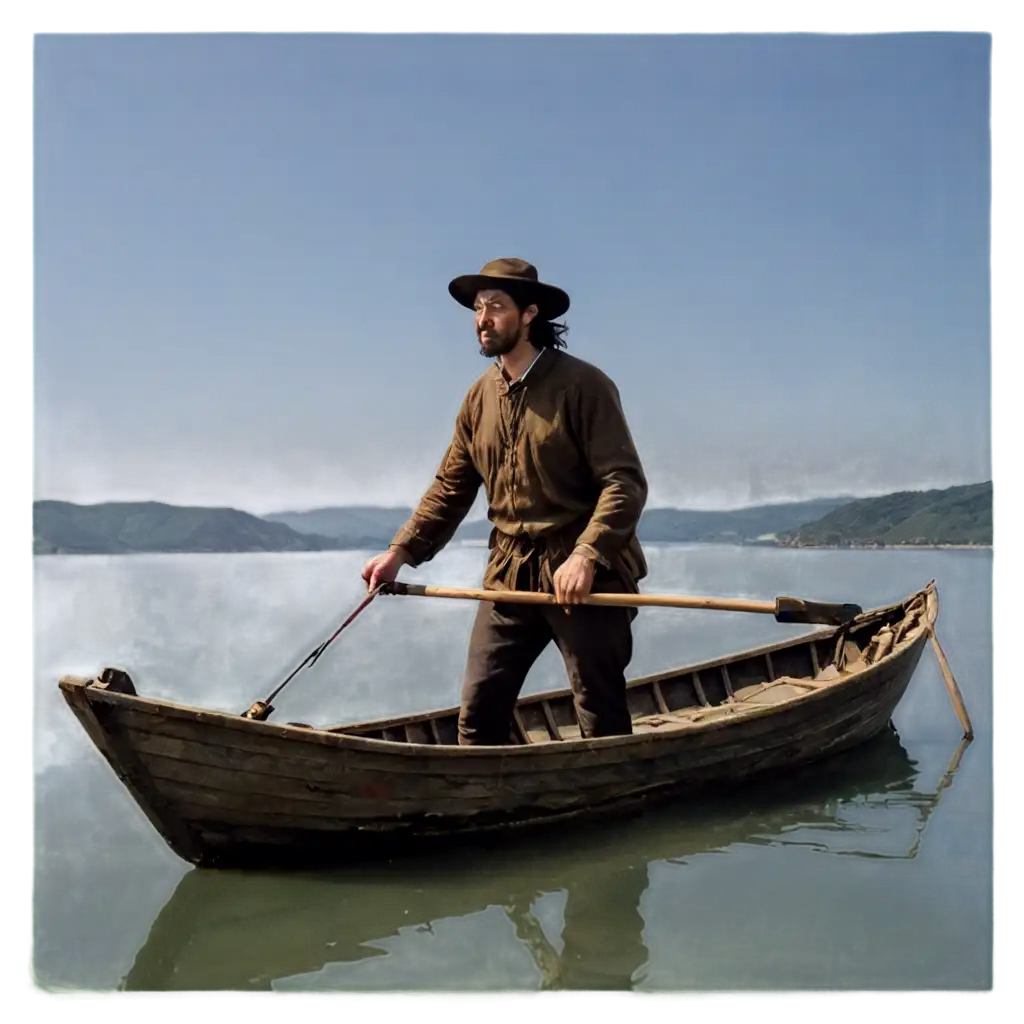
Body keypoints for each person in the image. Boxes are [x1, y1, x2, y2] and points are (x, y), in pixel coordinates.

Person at [361, 257, 649, 745]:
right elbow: (451, 486)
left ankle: (617, 804)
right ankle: (479, 805)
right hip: (508, 574)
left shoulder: (583, 385)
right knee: (477, 714)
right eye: (478, 308)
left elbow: (624, 481)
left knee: (599, 715)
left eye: (496, 306)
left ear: (530, 314)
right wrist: (401, 552)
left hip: (582, 576)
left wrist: (585, 554)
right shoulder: (479, 398)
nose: (482, 318)